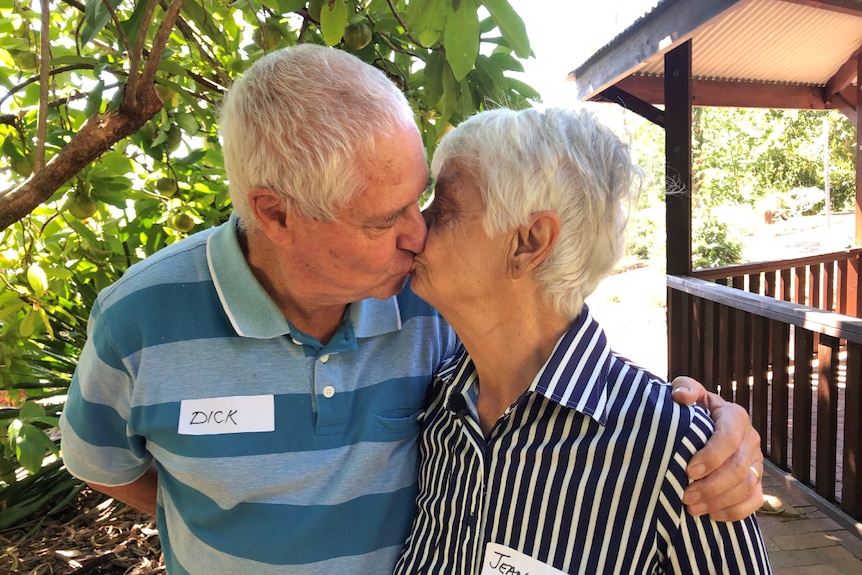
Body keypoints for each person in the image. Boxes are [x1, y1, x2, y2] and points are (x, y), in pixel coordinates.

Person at [59, 45, 763, 575]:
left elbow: (555, 355)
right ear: (276, 214)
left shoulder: (434, 321)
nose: (416, 233)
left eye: (431, 204)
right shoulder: (139, 320)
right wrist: (219, 525)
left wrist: (709, 425)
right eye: (386, 217)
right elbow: (101, 462)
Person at [395, 107, 771, 574]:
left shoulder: (678, 452)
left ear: (529, 241)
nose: (413, 228)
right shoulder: (439, 404)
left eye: (443, 207)